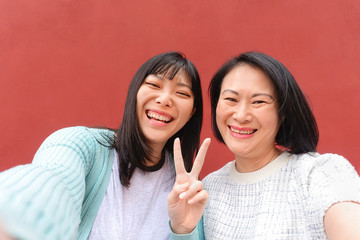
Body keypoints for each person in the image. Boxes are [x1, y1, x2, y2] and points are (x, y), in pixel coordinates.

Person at [0, 51, 207, 240]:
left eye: (181, 94)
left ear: (191, 113)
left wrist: (182, 229)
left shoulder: (186, 187)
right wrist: (17, 214)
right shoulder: (81, 145)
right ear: (134, 92)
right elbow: (54, 179)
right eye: (154, 85)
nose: (164, 100)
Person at [168, 51, 360, 239]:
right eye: (230, 99)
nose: (241, 115)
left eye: (258, 101)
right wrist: (183, 230)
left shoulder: (320, 173)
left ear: (282, 113)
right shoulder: (206, 190)